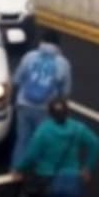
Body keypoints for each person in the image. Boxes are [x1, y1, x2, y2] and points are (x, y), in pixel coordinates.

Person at [11, 30, 72, 168]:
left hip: (24, 105)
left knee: (22, 141)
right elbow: (65, 92)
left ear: (42, 41)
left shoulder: (29, 57)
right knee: (42, 143)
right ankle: (37, 175)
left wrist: (14, 101)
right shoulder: (63, 64)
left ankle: (16, 172)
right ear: (58, 45)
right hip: (46, 109)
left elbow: (16, 80)